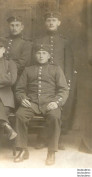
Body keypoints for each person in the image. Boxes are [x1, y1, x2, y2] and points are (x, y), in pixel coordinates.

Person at [14, 44, 69, 165]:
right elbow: (19, 89)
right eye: (39, 53)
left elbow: (64, 90)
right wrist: (22, 98)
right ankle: (22, 149)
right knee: (20, 115)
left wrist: (56, 102)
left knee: (55, 117)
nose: (41, 55)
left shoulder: (56, 69)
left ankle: (51, 151)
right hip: (32, 103)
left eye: (44, 53)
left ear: (49, 55)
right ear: (35, 55)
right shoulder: (28, 70)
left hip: (50, 103)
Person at [34, 11, 76, 149]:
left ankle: (58, 138)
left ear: (59, 23)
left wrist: (68, 83)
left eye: (54, 20)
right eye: (49, 20)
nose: (51, 23)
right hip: (44, 81)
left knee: (60, 109)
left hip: (60, 81)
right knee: (42, 106)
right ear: (45, 23)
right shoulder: (38, 41)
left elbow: (68, 64)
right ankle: (41, 137)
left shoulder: (65, 41)